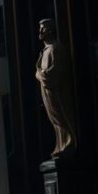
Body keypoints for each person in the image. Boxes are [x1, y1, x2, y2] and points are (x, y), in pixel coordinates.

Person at [35, 19, 77, 156]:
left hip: (57, 92)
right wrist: (40, 75)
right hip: (47, 92)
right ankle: (60, 143)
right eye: (40, 29)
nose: (40, 32)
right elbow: (38, 71)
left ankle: (68, 142)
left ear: (51, 31)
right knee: (54, 118)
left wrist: (41, 75)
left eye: (43, 29)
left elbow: (53, 73)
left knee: (61, 116)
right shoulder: (44, 51)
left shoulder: (56, 49)